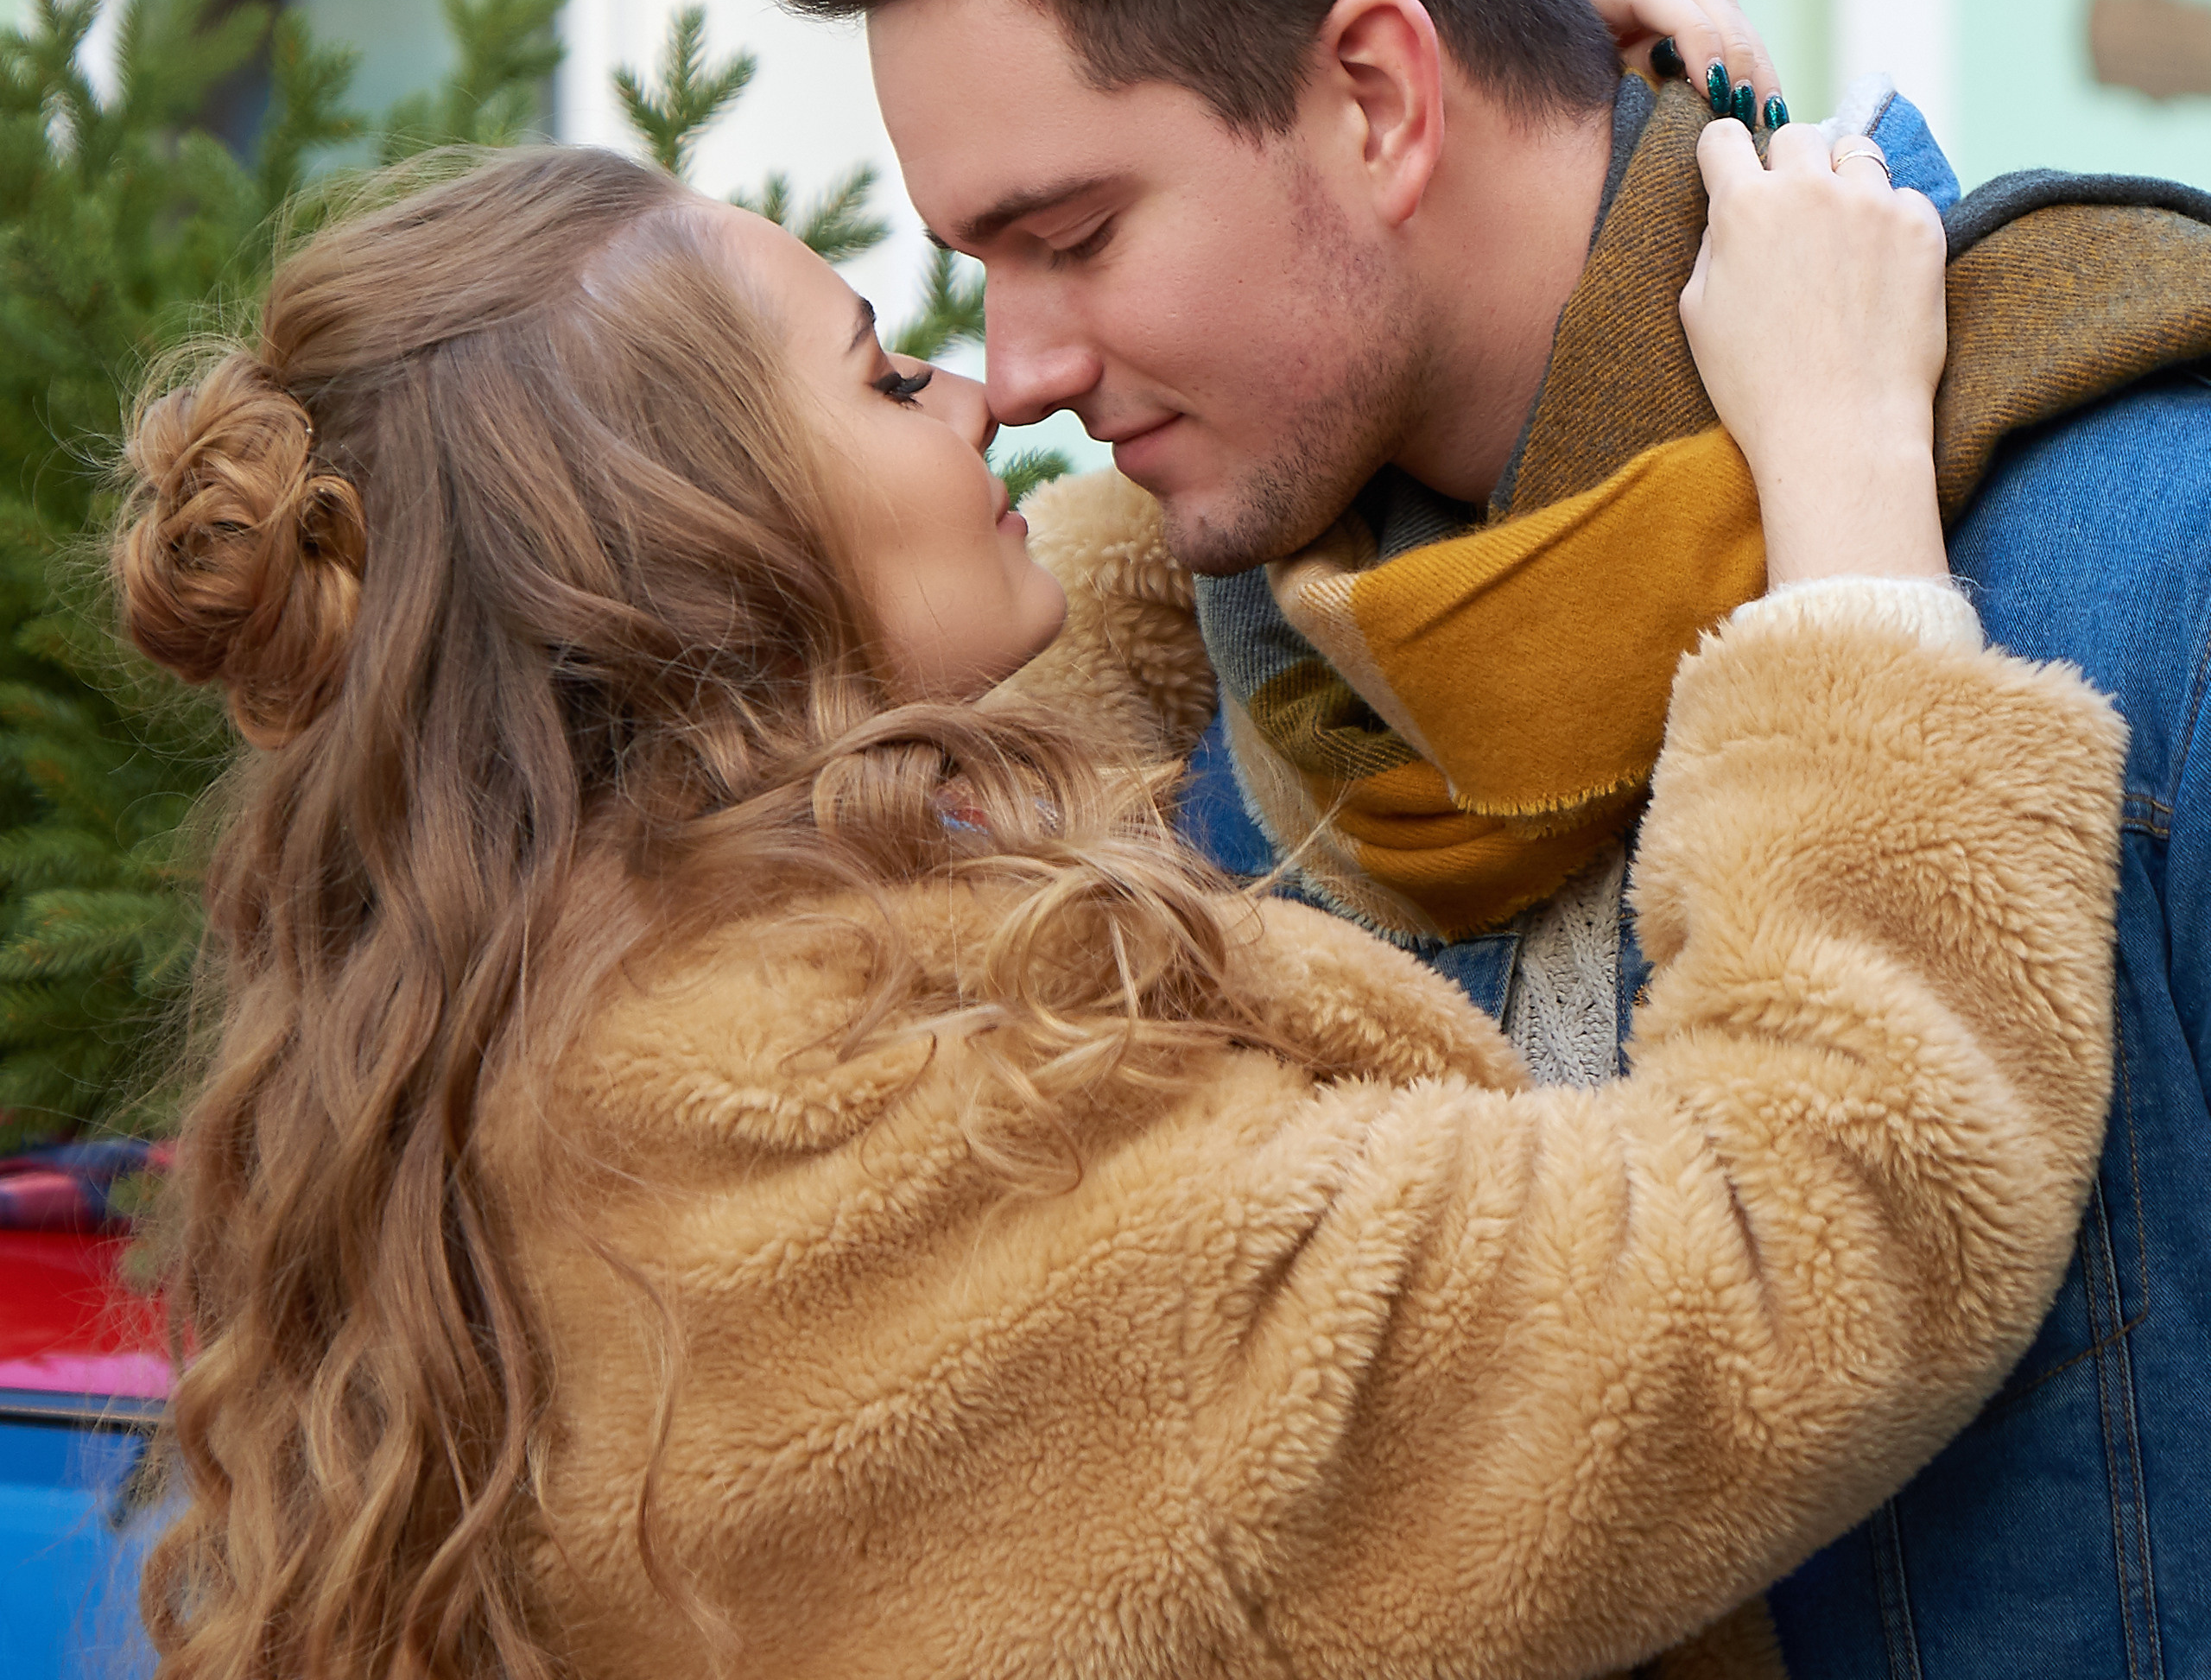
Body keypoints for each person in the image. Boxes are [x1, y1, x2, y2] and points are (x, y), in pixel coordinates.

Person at [117, 136, 2122, 1680]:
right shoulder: (894, 1167)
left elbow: (1017, 729)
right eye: (885, 370)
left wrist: (1436, 207)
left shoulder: (580, 998)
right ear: (705, 560)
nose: (989, 389)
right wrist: (1849, 472)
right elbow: (1797, 1236)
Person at [764, 0, 2211, 1679]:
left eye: (1071, 236)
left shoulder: (2149, 560)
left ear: (1374, 94)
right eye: (976, 263)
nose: (1019, 371)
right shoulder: (1206, 691)